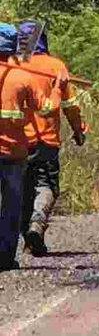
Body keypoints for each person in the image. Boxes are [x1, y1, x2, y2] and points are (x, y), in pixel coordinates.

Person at [17, 20, 86, 257]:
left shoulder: (13, 66)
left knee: (24, 189)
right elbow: (70, 105)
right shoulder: (56, 66)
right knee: (46, 186)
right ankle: (36, 226)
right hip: (47, 141)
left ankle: (28, 238)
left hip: (18, 142)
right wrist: (78, 130)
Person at [0, 23, 37, 271]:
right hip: (13, 152)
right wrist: (59, 84)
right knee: (11, 206)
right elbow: (41, 106)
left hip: (12, 152)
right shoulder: (23, 77)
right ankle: (4, 258)